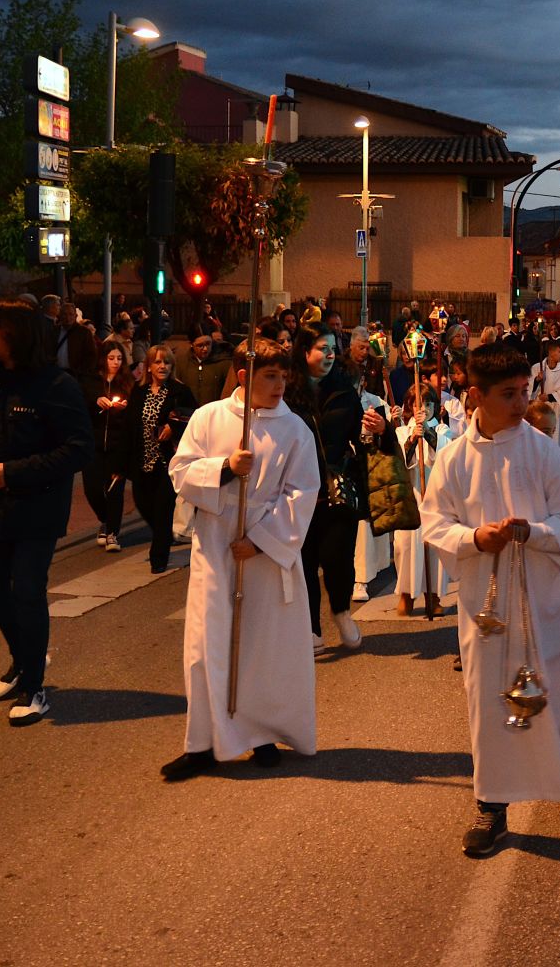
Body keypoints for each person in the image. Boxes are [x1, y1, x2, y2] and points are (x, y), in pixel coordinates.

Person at [420, 343, 560, 858]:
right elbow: (435, 523)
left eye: (525, 391)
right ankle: (491, 802)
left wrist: (535, 532)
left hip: (547, 595)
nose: (522, 402)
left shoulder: (543, 450)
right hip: (488, 604)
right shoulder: (454, 459)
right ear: (476, 396)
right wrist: (475, 540)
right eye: (509, 394)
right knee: (490, 699)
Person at [161, 337, 322, 780]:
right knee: (206, 644)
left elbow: (303, 493)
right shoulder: (208, 417)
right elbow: (180, 471)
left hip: (265, 554)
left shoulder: (295, 430)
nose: (280, 385)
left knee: (259, 647)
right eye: (271, 376)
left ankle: (261, 733)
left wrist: (263, 541)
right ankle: (202, 744)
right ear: (245, 375)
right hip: (215, 545)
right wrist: (226, 469)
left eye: (284, 376)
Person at [0, 298, 93, 726]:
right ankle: (22, 659)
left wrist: (13, 473)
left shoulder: (57, 385)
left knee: (27, 591)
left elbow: (78, 449)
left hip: (37, 509)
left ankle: (35, 686)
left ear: (15, 335)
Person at [296, 324, 385, 649]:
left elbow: (358, 437)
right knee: (303, 561)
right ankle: (311, 629)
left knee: (337, 557)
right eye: (322, 347)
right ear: (304, 351)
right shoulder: (288, 391)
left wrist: (377, 431)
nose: (330, 354)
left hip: (337, 486)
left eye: (333, 347)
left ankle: (341, 610)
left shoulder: (343, 389)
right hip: (298, 490)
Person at [129, 345, 197, 575]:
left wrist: (173, 427)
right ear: (149, 367)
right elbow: (129, 427)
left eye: (167, 363)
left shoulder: (180, 391)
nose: (162, 367)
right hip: (143, 461)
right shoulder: (139, 392)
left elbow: (194, 419)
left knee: (163, 508)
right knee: (143, 504)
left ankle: (158, 557)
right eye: (158, 362)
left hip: (168, 462)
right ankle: (164, 534)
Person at [393, 388, 452, 617]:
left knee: (434, 547)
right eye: (419, 404)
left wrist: (427, 433)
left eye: (429, 404)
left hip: (434, 498)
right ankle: (406, 595)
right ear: (410, 406)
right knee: (406, 546)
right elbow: (399, 460)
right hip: (412, 496)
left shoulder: (442, 429)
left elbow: (444, 454)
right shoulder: (400, 431)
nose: (424, 409)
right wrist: (412, 439)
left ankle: (433, 596)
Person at [83, 342, 137, 552]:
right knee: (93, 489)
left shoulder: (127, 383)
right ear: (103, 359)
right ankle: (105, 519)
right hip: (94, 445)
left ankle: (113, 532)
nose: (115, 363)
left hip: (117, 445)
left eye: (119, 358)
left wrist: (123, 408)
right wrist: (96, 401)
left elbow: (133, 414)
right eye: (111, 358)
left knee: (115, 490)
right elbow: (82, 405)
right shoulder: (91, 381)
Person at [527, 342, 560, 445]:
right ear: (550, 352)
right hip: (539, 409)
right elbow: (528, 388)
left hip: (554, 409)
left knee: (554, 438)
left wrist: (549, 397)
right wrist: (537, 380)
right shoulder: (537, 368)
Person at [173, 334, 231, 404]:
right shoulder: (181, 362)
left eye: (208, 344)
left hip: (214, 410)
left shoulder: (224, 361)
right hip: (188, 411)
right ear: (191, 344)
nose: (205, 349)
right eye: (200, 345)